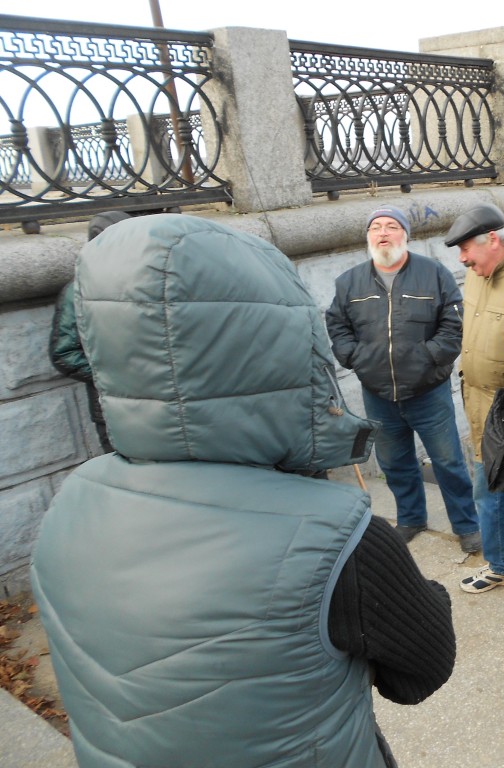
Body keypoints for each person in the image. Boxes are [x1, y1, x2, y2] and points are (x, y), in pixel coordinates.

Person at [31, 214, 456, 768]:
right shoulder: (334, 537)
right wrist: (418, 595)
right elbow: (421, 674)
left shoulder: (68, 507)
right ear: (277, 352)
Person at [325, 205, 481, 553]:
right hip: (378, 393)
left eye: (391, 226)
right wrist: (357, 359)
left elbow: (454, 324)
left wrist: (427, 358)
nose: (383, 232)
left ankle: (467, 525)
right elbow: (337, 326)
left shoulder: (434, 273)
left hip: (428, 391)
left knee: (449, 462)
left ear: (405, 235)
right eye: (376, 227)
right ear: (369, 237)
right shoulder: (349, 282)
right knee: (395, 463)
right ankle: (411, 518)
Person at [444, 203, 504, 606]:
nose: (462, 259)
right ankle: (503, 566)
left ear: (493, 241)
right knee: (487, 492)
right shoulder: (477, 272)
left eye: (466, 248)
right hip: (479, 408)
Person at [48, 210, 132, 453]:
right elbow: (64, 354)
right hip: (112, 408)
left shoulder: (148, 283)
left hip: (160, 406)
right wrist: (118, 377)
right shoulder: (77, 290)